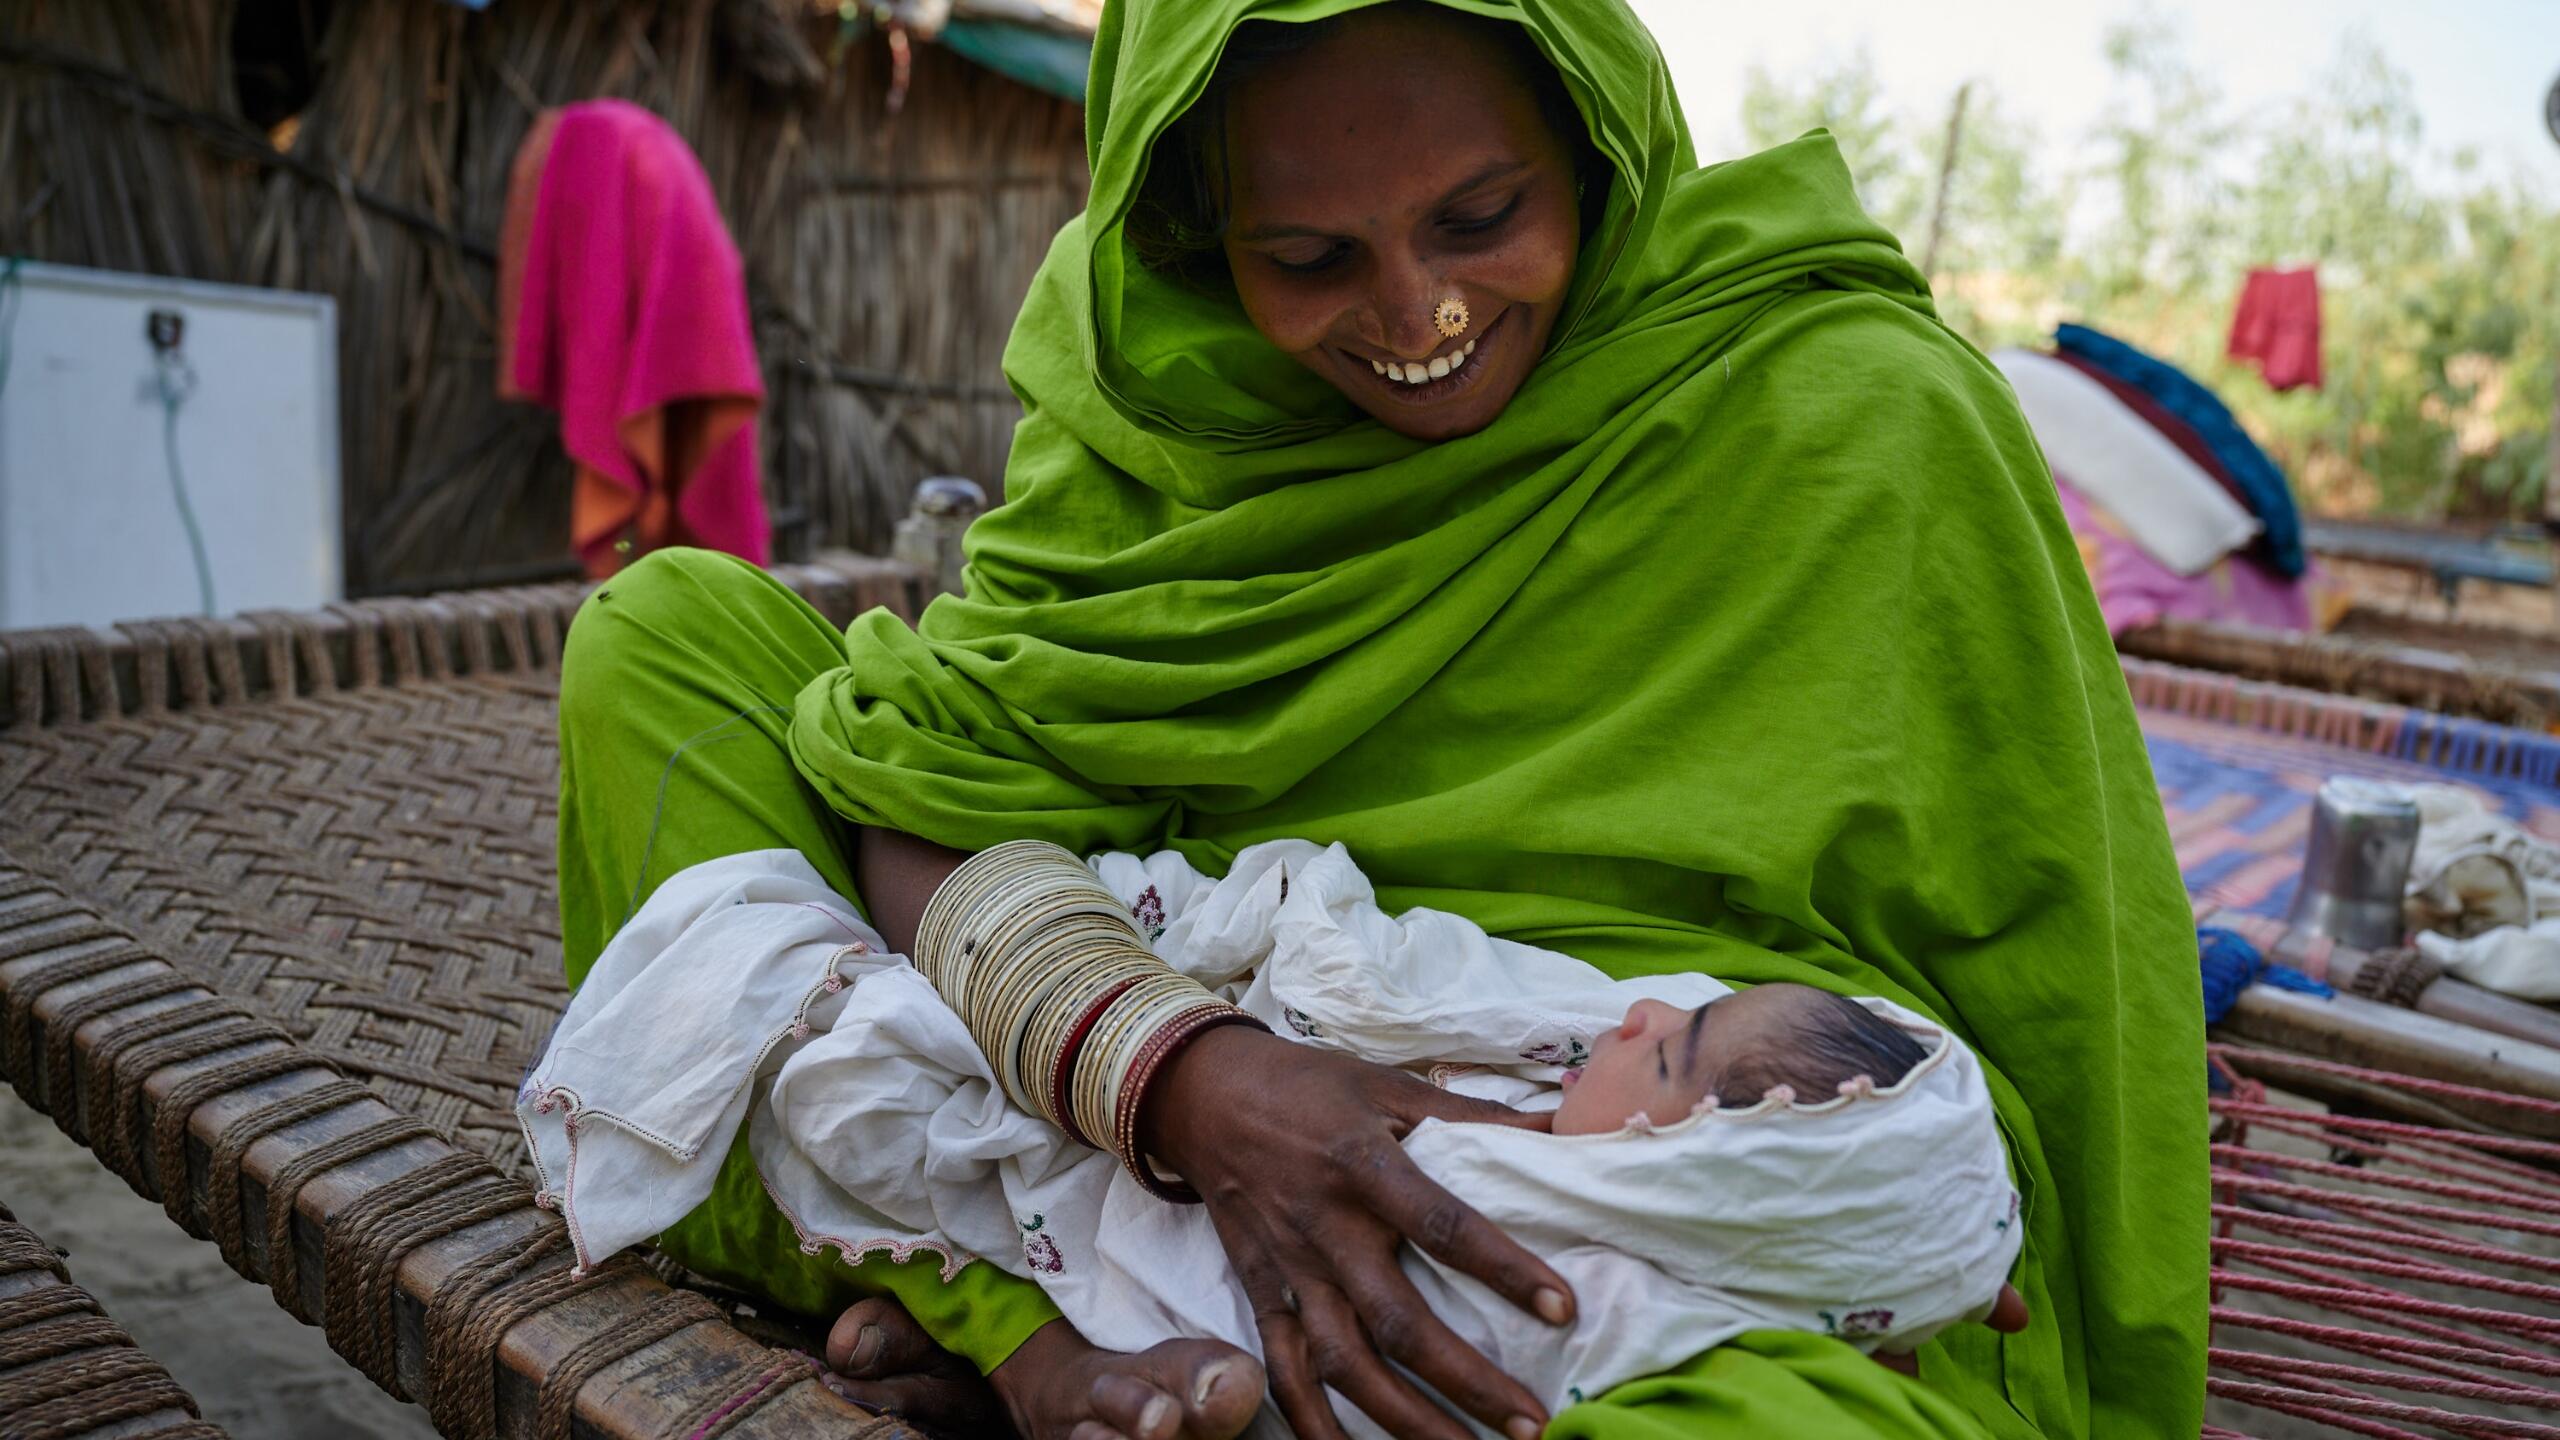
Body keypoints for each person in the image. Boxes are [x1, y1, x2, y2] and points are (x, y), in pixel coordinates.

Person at [548, 1, 2206, 1437]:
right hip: (1135, 1061)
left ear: (1596, 137)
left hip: (1628, 1217)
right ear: (1201, 234)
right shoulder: (1163, 390)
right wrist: (1193, 1082)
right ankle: (1036, 1339)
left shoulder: (1861, 414)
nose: (1418, 319)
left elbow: (2063, 988)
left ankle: (1035, 1319)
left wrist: (1930, 1224)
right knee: (667, 642)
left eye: (1484, 214)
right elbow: (931, 782)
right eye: (1310, 259)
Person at [520, 840, 2023, 1440]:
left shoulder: (1595, 1281)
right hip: (1076, 983)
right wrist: (1183, 1053)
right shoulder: (1565, 1041)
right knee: (672, 630)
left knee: (821, 1082)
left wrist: (1897, 1251)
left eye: (1676, 1055)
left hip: (1088, 1178)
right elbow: (1377, 949)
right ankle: (1004, 1341)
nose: (1640, 1018)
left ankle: (1015, 1344)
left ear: (1730, 1188)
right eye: (1302, 254)